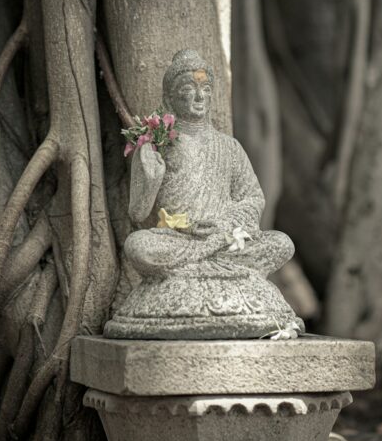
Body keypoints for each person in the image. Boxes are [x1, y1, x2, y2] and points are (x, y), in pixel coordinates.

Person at [103, 50, 303, 340]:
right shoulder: (157, 145)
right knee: (138, 246)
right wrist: (150, 176)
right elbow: (137, 213)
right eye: (188, 89)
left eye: (205, 89)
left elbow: (252, 198)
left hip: (224, 240)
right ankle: (214, 269)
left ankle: (194, 269)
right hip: (177, 238)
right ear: (171, 98)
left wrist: (224, 227)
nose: (198, 96)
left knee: (281, 244)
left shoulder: (229, 147)